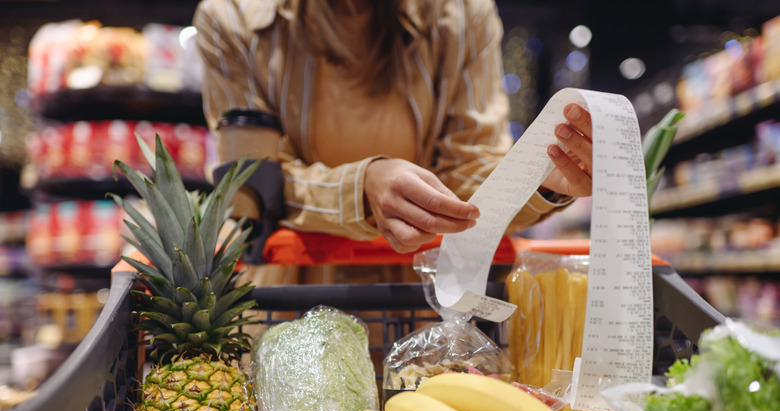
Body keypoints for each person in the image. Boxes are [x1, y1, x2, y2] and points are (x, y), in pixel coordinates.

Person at [192, 0, 593, 255]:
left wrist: (539, 179)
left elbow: (469, 174)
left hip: (424, 300)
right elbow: (251, 190)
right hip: (294, 297)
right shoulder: (231, 18)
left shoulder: (463, 14)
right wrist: (362, 188)